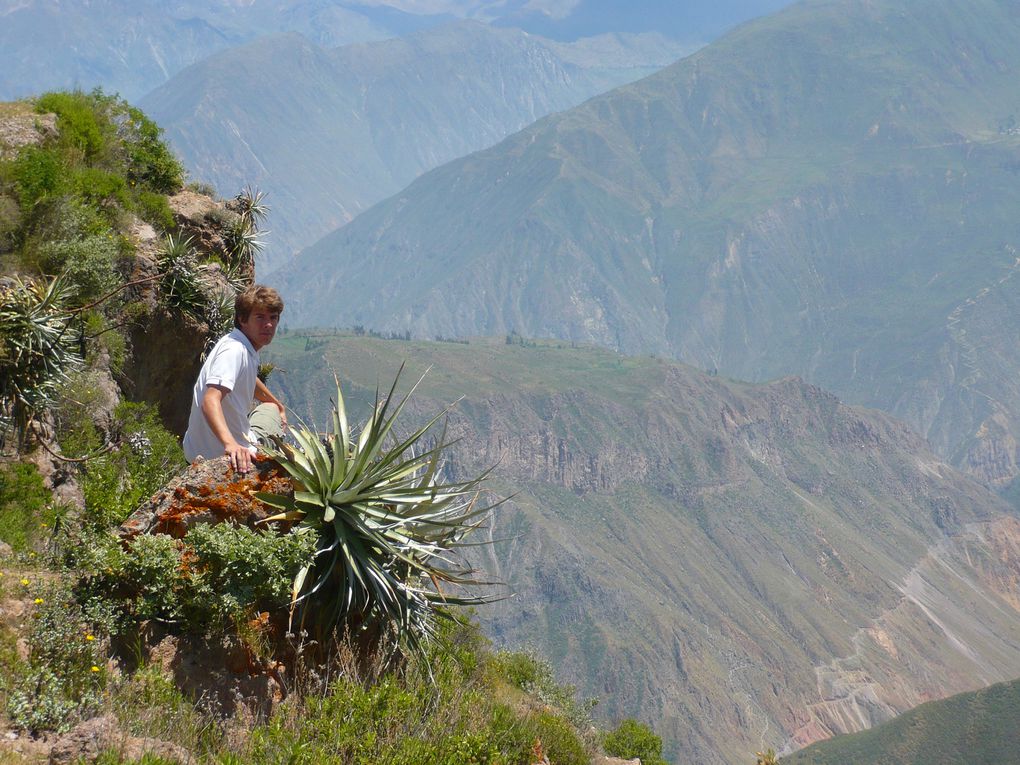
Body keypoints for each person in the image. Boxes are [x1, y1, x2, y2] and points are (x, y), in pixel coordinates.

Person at [182, 285, 287, 473]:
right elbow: (210, 400)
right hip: (230, 453)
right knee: (270, 414)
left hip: (195, 451)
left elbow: (246, 376)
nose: (269, 325)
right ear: (242, 319)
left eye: (273, 318)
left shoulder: (236, 343)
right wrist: (230, 444)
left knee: (272, 406)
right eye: (260, 317)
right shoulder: (234, 351)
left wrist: (276, 403)